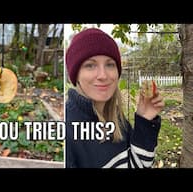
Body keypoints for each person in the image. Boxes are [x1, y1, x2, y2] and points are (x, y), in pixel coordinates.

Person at [65, 27, 164, 168]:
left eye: (110, 64)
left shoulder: (117, 119)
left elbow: (136, 165)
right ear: (76, 76)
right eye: (90, 65)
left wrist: (145, 119)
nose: (103, 75)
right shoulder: (68, 133)